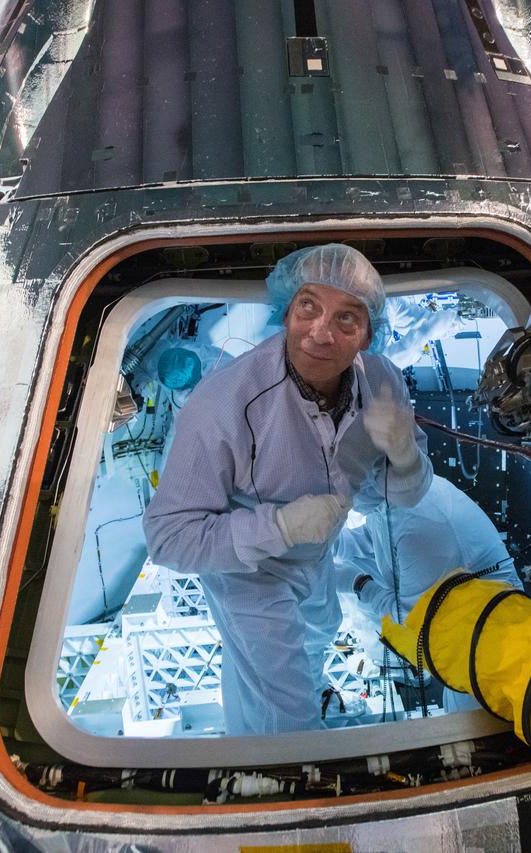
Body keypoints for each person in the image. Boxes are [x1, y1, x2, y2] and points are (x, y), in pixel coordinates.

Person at [144, 244, 433, 735]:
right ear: (285, 310)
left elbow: (397, 498)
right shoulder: (222, 405)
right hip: (247, 573)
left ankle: (292, 697)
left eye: (347, 318)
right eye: (308, 307)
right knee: (285, 717)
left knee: (321, 632)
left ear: (367, 336)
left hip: (316, 556)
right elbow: (168, 538)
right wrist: (278, 526)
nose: (321, 332)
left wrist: (406, 456)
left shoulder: (382, 382)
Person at [334, 475, 523, 712]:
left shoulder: (421, 523)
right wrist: (334, 543)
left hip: (488, 645)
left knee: (465, 721)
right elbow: (378, 535)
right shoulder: (391, 490)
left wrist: (360, 584)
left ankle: (409, 670)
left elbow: (410, 623)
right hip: (450, 619)